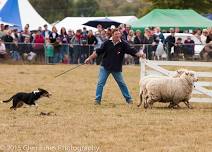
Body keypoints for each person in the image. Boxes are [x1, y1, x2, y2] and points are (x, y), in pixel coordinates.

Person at [84, 29, 144, 105]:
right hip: (105, 67)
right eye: (116, 34)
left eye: (119, 34)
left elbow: (132, 50)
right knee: (100, 83)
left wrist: (140, 55)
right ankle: (97, 100)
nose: (118, 35)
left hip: (116, 68)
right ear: (112, 35)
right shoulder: (107, 43)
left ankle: (129, 99)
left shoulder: (123, 44)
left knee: (122, 84)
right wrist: (89, 58)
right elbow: (98, 51)